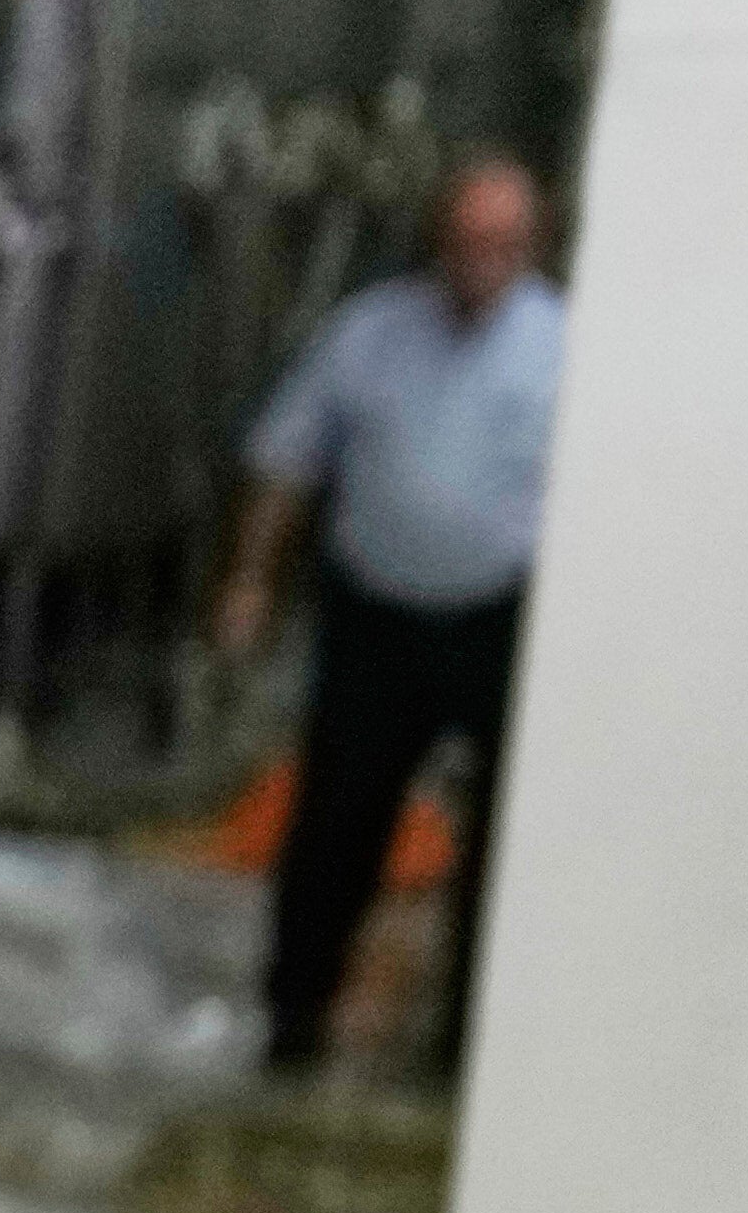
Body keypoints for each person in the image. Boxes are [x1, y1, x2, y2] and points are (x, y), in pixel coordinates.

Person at [215, 150, 564, 1082]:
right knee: (336, 824)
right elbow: (288, 461)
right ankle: (292, 1028)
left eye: (501, 243)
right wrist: (250, 581)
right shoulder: (368, 335)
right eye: (464, 241)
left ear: (533, 246)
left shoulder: (565, 346)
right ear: (436, 242)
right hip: (376, 613)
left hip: (501, 617)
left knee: (504, 841)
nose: (480, 259)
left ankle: (467, 1052)